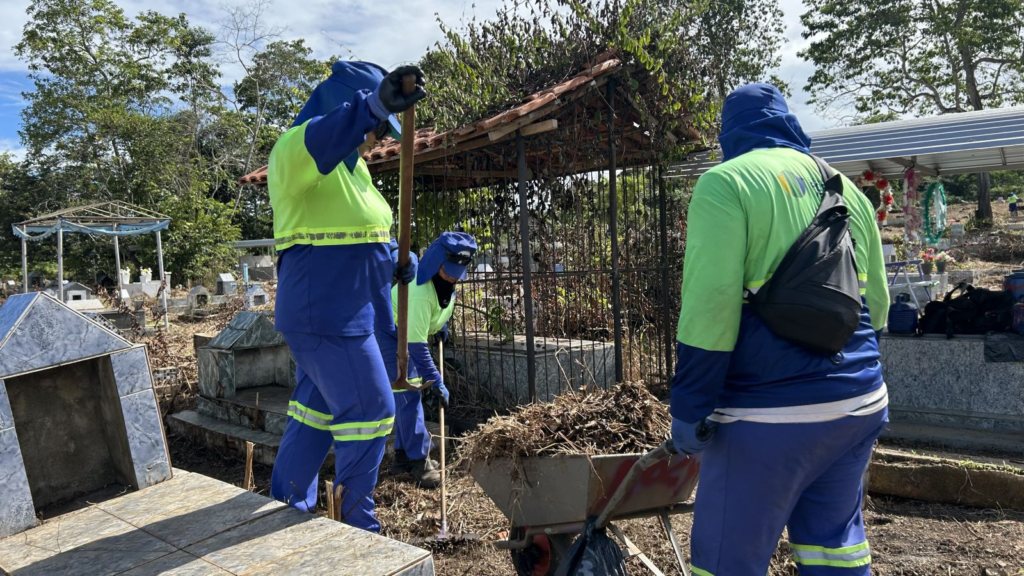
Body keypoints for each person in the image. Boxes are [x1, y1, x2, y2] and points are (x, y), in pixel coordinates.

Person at [670, 83, 889, 575]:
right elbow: (876, 305)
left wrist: (690, 407)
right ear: (787, 123)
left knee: (728, 560)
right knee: (833, 548)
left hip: (769, 416)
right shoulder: (847, 188)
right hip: (860, 404)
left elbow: (711, 308)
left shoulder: (726, 183)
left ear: (729, 133)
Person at [267, 60, 426, 533]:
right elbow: (327, 136)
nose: (379, 137)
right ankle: (359, 530)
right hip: (327, 314)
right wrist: (373, 105)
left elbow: (354, 238)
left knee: (314, 410)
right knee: (372, 411)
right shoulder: (296, 149)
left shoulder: (355, 173)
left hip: (346, 312)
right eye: (378, 126)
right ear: (349, 107)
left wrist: (397, 264)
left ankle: (287, 501)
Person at [378, 232, 477, 488]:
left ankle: (402, 457)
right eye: (449, 271)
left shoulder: (445, 283)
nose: (454, 277)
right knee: (409, 393)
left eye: (458, 272)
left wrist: (437, 326)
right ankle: (420, 461)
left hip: (409, 333)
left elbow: (437, 308)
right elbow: (416, 345)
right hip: (391, 335)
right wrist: (435, 380)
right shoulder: (419, 291)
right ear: (434, 262)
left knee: (407, 395)